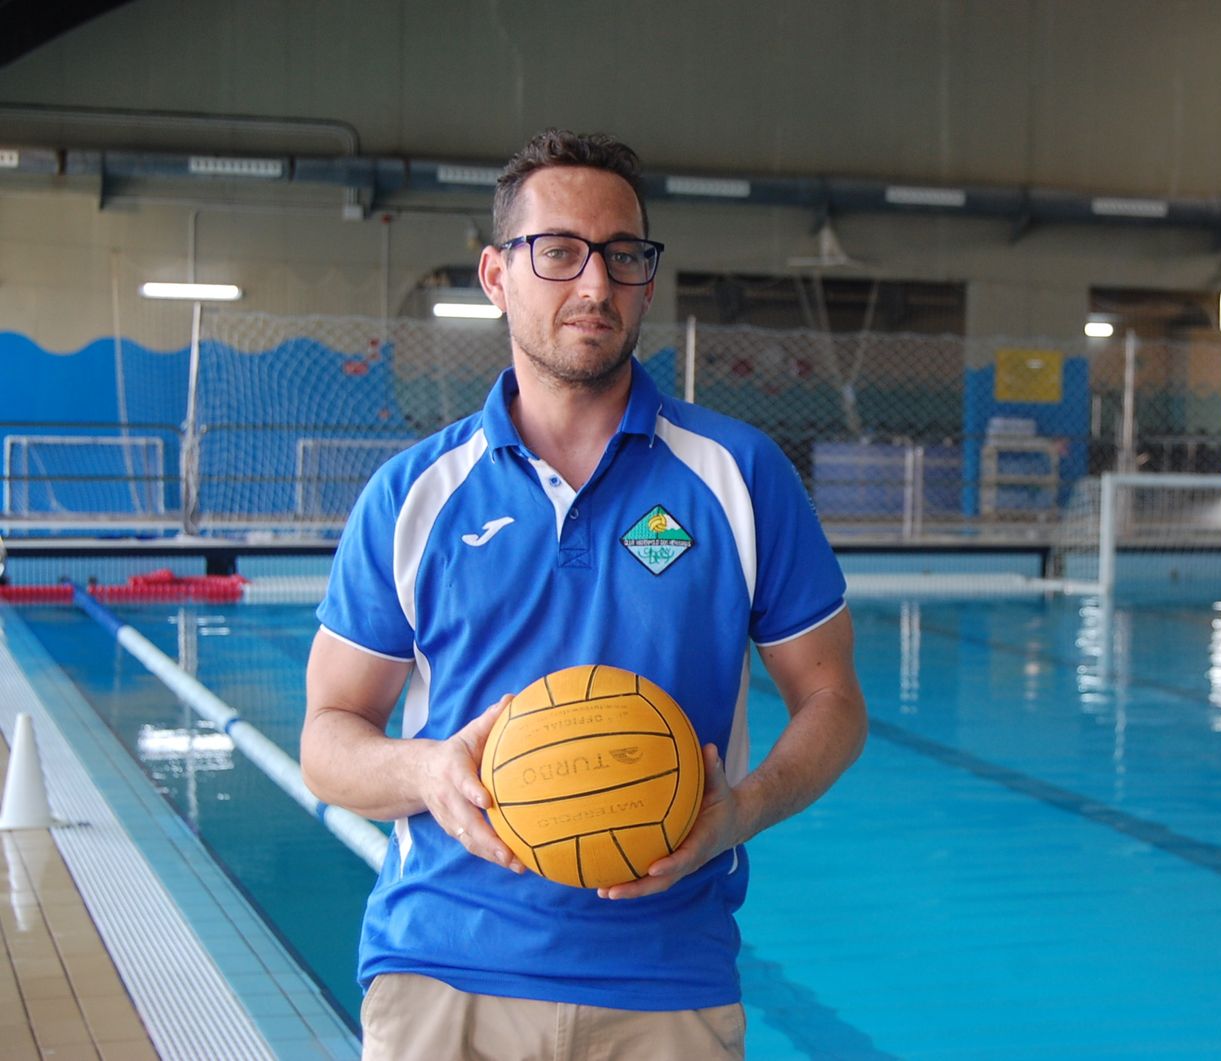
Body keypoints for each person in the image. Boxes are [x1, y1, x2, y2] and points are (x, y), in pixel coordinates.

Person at [301, 128, 868, 1060]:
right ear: (496, 274)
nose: (595, 284)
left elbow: (833, 699)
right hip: (445, 970)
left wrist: (747, 807)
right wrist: (427, 771)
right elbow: (327, 736)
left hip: (665, 978)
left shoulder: (739, 476)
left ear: (648, 278)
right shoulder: (415, 495)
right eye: (558, 251)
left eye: (623, 256)